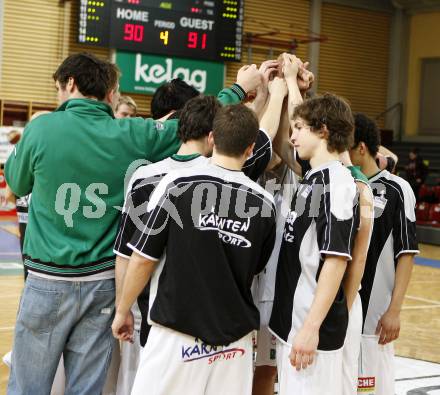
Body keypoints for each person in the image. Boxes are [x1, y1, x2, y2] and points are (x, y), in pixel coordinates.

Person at [4, 52, 261, 395]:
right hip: (103, 284)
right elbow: (193, 123)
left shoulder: (41, 128)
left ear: (69, 84)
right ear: (110, 94)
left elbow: (17, 185)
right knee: (87, 388)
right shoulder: (132, 133)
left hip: (47, 280)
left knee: (28, 387)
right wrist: (237, 90)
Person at [112, 103, 276, 395]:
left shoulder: (176, 184)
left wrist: (123, 309)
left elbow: (143, 258)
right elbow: (257, 266)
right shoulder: (264, 202)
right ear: (250, 148)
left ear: (212, 137)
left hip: (176, 335)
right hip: (233, 344)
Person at [269, 92, 360, 395]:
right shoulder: (313, 178)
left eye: (298, 128)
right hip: (292, 326)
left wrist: (310, 329)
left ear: (322, 130)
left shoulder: (338, 183)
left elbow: (335, 261)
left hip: (309, 332)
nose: (292, 137)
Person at [349, 113, 419, 395]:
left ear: (361, 148)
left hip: (373, 320)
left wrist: (394, 310)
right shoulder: (343, 183)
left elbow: (407, 253)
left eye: (347, 145)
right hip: (343, 316)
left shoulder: (397, 189)